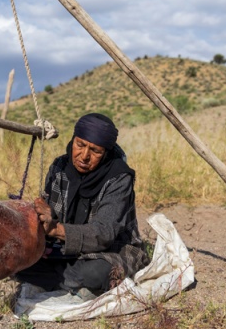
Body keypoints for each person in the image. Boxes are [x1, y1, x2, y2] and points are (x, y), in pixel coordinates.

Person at [14, 113, 149, 296]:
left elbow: (104, 234)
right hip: (64, 250)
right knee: (17, 259)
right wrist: (43, 216)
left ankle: (58, 282)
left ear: (106, 153)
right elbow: (53, 216)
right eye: (80, 145)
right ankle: (72, 285)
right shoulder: (59, 167)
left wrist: (55, 229)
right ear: (73, 140)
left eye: (95, 151)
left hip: (112, 251)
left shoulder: (119, 178)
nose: (84, 156)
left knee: (96, 273)